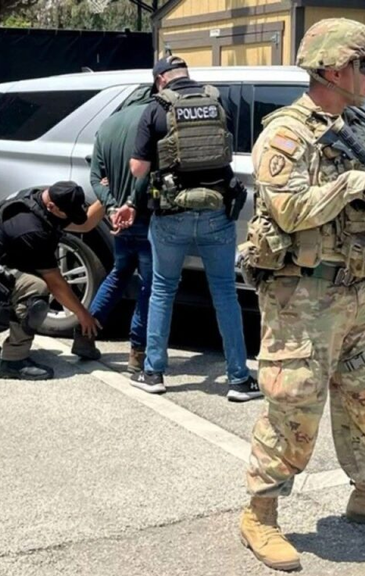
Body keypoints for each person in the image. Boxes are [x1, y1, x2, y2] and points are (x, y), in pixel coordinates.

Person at [238, 19, 365, 572]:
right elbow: (288, 210)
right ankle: (260, 514)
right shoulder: (287, 134)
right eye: (364, 65)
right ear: (332, 69)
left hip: (359, 291)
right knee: (293, 406)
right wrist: (350, 186)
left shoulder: (357, 131)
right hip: (304, 296)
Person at [128, 55, 261, 403]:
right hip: (217, 211)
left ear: (161, 80)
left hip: (171, 213)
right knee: (226, 293)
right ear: (186, 75)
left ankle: (154, 373)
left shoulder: (156, 109)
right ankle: (239, 379)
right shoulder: (216, 101)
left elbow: (138, 169)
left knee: (162, 290)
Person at [0, 181, 103, 380]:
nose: (70, 218)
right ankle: (14, 362)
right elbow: (56, 283)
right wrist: (83, 314)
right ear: (52, 206)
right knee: (35, 292)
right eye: (68, 214)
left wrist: (106, 195)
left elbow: (84, 224)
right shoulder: (31, 228)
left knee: (23, 291)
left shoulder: (41, 201)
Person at [71, 98, 154, 374]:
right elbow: (147, 172)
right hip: (146, 216)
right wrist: (131, 204)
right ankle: (137, 352)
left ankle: (85, 334)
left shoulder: (107, 124)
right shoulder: (152, 120)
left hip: (118, 217)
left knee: (119, 273)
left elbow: (95, 178)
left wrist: (112, 207)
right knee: (150, 286)